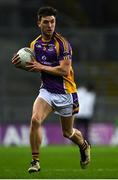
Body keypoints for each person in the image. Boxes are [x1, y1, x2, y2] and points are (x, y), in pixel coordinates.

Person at [12, 6, 90, 173]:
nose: (50, 25)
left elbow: (64, 70)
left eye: (52, 22)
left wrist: (41, 66)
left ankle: (84, 146)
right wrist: (21, 65)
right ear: (39, 23)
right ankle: (35, 161)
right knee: (35, 120)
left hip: (66, 93)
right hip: (47, 91)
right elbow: (34, 66)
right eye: (46, 22)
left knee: (67, 133)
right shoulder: (35, 44)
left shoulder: (63, 44)